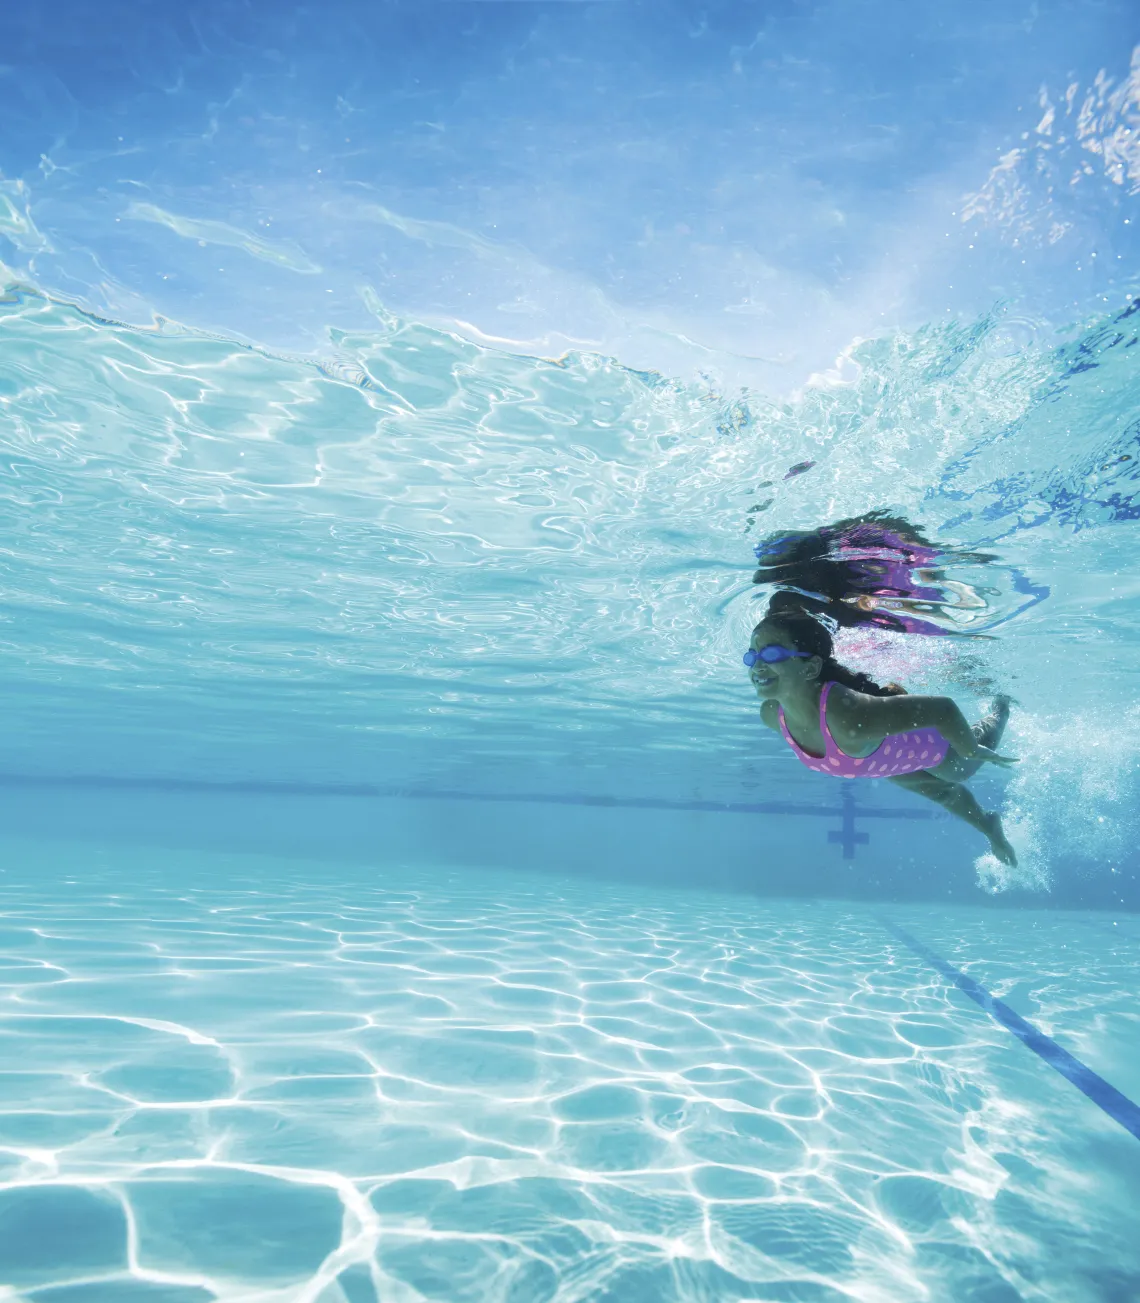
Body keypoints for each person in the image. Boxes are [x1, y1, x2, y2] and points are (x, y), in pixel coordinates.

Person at [746, 609, 1018, 865]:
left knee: (956, 774)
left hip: (937, 751)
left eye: (772, 654)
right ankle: (990, 828)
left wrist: (969, 748)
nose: (757, 665)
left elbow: (943, 709)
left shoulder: (845, 715)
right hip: (883, 762)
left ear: (810, 667)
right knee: (943, 794)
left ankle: (1001, 704)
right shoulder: (771, 714)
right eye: (752, 655)